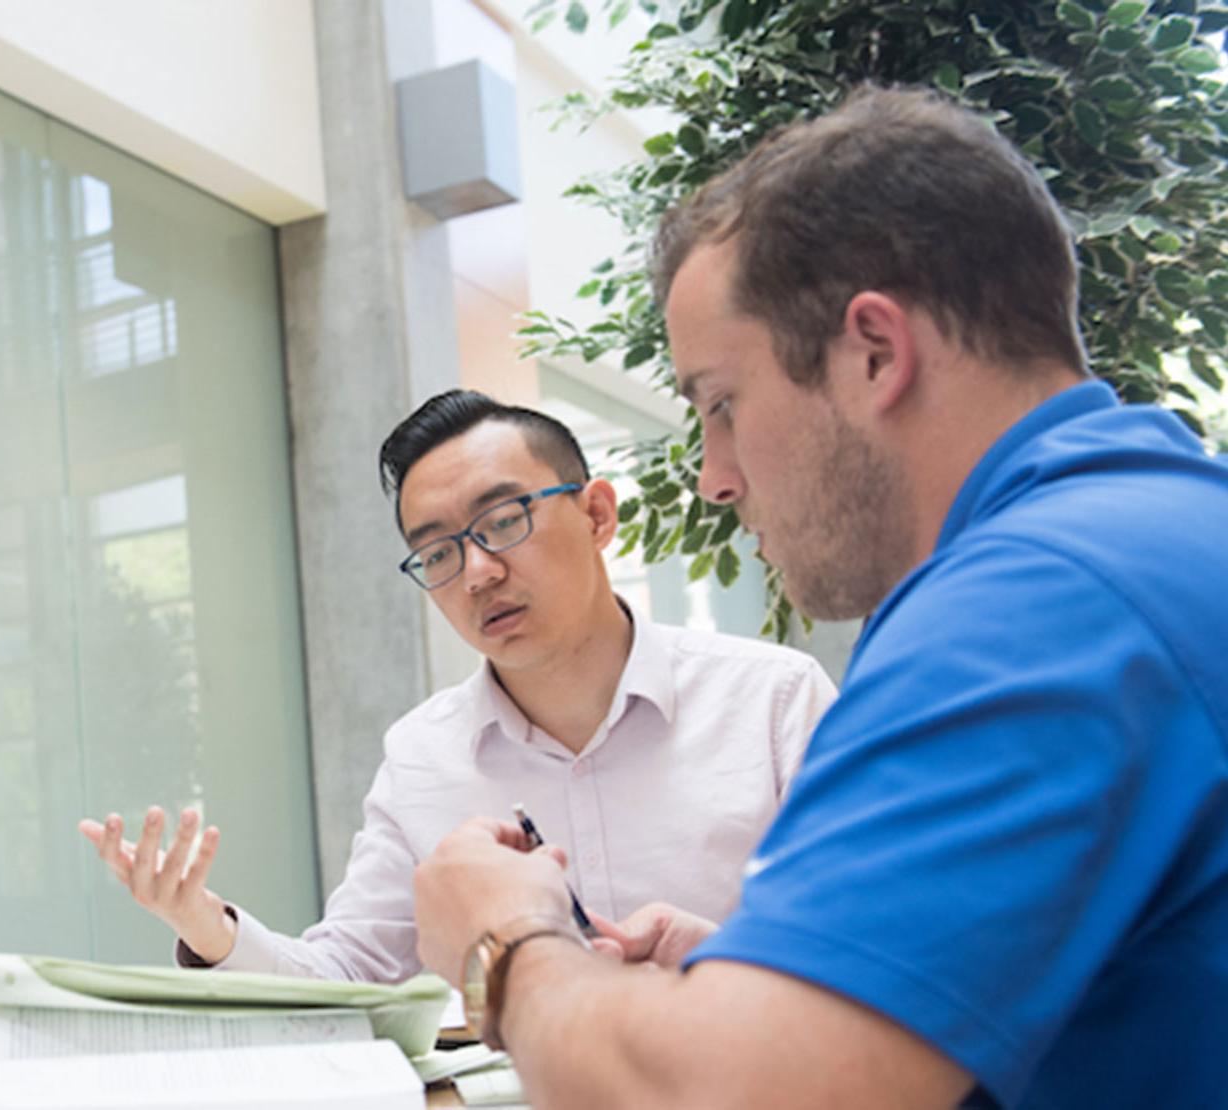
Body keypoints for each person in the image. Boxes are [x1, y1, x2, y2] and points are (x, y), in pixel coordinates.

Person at [412, 85, 1228, 1108]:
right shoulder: (1150, 530)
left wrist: (507, 942)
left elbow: (725, 1099)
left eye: (720, 404)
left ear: (873, 353)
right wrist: (784, 977)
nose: (713, 476)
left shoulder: (1028, 614)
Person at [79, 390, 837, 982]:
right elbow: (350, 970)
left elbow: (870, 941)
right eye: (436, 553)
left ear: (597, 514)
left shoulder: (773, 702)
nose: (477, 572)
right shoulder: (424, 755)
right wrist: (206, 925)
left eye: (502, 521)